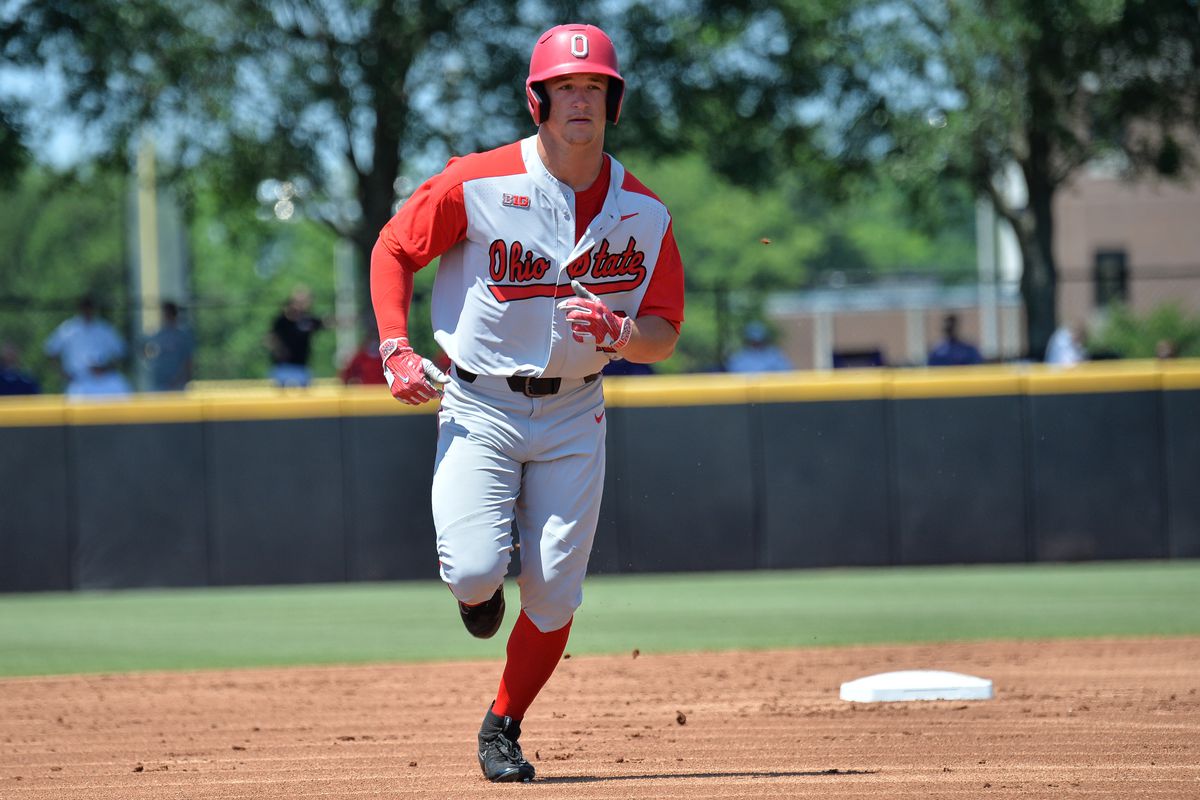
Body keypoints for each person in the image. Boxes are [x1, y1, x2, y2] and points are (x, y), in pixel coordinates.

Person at [369, 23, 684, 783]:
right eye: (567, 88)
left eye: (596, 88)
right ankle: (475, 599)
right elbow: (392, 248)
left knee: (552, 590)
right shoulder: (476, 182)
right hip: (479, 404)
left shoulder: (644, 213)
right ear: (537, 100)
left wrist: (621, 332)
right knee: (476, 572)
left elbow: (665, 332)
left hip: (577, 410)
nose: (582, 99)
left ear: (615, 102)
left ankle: (502, 724)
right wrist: (393, 347)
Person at [43, 295, 131, 397]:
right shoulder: (69, 329)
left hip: (104, 379)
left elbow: (120, 352)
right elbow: (51, 351)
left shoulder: (104, 329)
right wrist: (63, 374)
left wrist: (106, 368)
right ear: (80, 308)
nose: (87, 310)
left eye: (90, 307)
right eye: (85, 307)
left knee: (121, 387)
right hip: (79, 380)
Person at [266, 286, 326, 387]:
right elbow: (270, 338)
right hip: (283, 368)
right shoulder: (281, 320)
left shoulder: (307, 319)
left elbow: (326, 322)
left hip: (302, 368)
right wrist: (279, 350)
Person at [143, 300, 196, 391]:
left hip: (177, 386)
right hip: (159, 385)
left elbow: (188, 362)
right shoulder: (157, 335)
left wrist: (179, 381)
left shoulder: (182, 336)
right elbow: (147, 353)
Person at [725, 321, 792, 373]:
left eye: (759, 341)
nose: (757, 343)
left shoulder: (774, 355)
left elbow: (786, 373)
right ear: (747, 340)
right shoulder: (739, 357)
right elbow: (732, 375)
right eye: (753, 341)